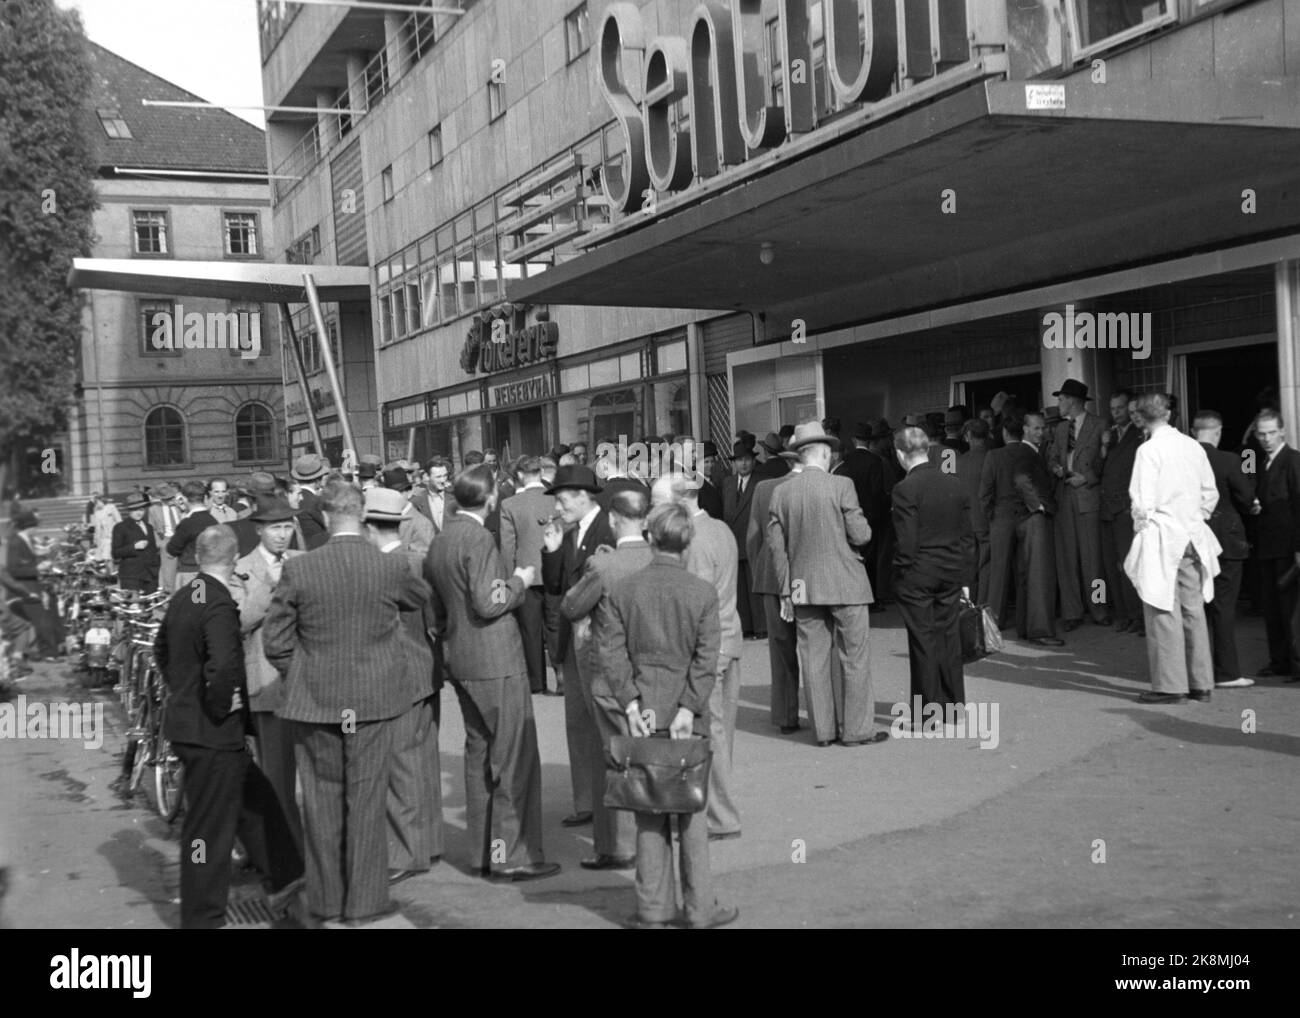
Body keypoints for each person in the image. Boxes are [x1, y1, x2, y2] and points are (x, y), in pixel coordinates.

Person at [262, 481, 431, 925]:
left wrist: (301, 672)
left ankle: (326, 901)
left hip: (315, 702)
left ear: (323, 516)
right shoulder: (386, 565)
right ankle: (365, 903)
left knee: (320, 802)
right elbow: (419, 598)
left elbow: (275, 641)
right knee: (368, 801)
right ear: (362, 514)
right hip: (372, 703)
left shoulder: (301, 569)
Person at [156, 525, 304, 929]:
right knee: (208, 832)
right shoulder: (218, 602)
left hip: (195, 727)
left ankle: (288, 880)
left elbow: (162, 650)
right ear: (234, 558)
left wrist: (184, 691)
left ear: (200, 557)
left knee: (260, 806)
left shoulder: (188, 594)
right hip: (212, 733)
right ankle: (202, 917)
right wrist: (222, 707)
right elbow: (223, 666)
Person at [599, 502, 737, 929]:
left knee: (648, 814)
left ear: (650, 538)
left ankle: (653, 909)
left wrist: (632, 703)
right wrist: (688, 708)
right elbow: (706, 658)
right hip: (685, 718)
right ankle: (700, 909)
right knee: (692, 814)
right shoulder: (701, 592)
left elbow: (612, 653)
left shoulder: (624, 590)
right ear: (687, 540)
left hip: (643, 713)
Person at [425, 465, 559, 881]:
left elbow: (437, 606)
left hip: (460, 657)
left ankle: (485, 853)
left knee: (480, 756)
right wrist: (519, 581)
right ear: (490, 499)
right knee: (513, 759)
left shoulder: (442, 539)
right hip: (495, 659)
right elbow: (488, 600)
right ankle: (510, 857)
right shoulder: (479, 538)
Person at [767, 421, 886, 747]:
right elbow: (861, 534)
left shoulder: (781, 493)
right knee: (854, 657)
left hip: (804, 586)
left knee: (814, 659)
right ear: (823, 452)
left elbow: (778, 549)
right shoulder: (841, 485)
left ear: (801, 455)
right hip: (846, 582)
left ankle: (824, 731)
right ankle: (857, 730)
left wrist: (786, 590)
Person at [558, 489, 651, 870]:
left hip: (610, 678)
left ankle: (616, 846)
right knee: (649, 757)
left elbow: (570, 606)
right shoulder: (664, 559)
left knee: (612, 759)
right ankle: (654, 837)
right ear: (646, 520)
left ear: (613, 521)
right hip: (654, 676)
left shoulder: (604, 566)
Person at [653, 471, 743, 841]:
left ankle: (719, 818)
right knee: (721, 735)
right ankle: (714, 811)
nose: (654, 511)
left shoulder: (692, 541)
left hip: (709, 651)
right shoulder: (721, 529)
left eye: (658, 503)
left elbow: (697, 605)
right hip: (730, 640)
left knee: (710, 736)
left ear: (679, 501)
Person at [362, 488, 443, 883]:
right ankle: (429, 842)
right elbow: (432, 617)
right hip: (424, 670)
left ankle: (408, 854)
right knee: (424, 760)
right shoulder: (417, 561)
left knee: (401, 766)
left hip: (396, 678)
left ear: (370, 526)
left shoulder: (380, 568)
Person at [1124, 393, 1220, 704]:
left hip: (1163, 536)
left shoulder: (1149, 450)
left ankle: (1170, 685)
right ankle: (1201, 682)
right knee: (1193, 609)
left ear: (1142, 417)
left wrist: (1143, 528)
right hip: (1193, 536)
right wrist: (1195, 518)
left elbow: (1141, 502)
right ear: (1168, 414)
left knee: (1162, 609)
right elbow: (1210, 493)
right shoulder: (1193, 447)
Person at [229, 500, 305, 855]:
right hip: (265, 682)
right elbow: (239, 621)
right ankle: (286, 855)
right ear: (259, 529)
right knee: (277, 776)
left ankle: (310, 852)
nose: (282, 534)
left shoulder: (303, 561)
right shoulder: (241, 569)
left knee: (314, 775)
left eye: (287, 527)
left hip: (305, 684)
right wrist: (270, 587)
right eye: (274, 528)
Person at [540, 464, 615, 826]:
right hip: (573, 641)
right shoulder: (569, 533)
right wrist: (552, 550)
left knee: (601, 721)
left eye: (563, 500)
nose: (558, 507)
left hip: (598, 640)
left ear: (584, 497)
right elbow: (554, 588)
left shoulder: (608, 529)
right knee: (577, 723)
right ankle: (586, 802)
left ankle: (609, 801)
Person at [892, 426, 974, 717]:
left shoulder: (904, 489)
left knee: (923, 639)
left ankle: (928, 710)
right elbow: (967, 536)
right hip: (951, 571)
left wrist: (900, 571)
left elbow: (907, 541)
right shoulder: (955, 484)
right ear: (927, 449)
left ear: (900, 454)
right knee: (949, 637)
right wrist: (965, 577)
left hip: (918, 573)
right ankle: (953, 705)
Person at [1193, 411, 1255, 689]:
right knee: (1224, 607)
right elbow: (1246, 497)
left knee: (1196, 607)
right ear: (1217, 432)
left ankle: (1197, 671)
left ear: (1195, 431)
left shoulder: (1185, 460)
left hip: (1195, 540)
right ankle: (1227, 672)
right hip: (1227, 541)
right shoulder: (1230, 460)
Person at [1047, 379, 1110, 630]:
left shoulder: (1099, 425)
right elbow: (1052, 456)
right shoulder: (1061, 430)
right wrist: (1056, 468)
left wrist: (1087, 478)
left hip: (1087, 495)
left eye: (1061, 399)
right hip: (1065, 495)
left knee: (1092, 558)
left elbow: (1106, 460)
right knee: (1067, 558)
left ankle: (1099, 608)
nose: (1059, 404)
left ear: (1072, 400)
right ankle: (1072, 612)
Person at [747, 454, 801, 733]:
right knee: (818, 649)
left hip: (771, 578)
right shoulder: (824, 484)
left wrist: (763, 571)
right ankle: (827, 719)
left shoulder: (763, 488)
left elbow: (753, 538)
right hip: (810, 578)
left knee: (780, 650)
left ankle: (785, 716)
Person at [1249, 410, 1300, 679]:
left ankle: (1296, 663)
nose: (1266, 438)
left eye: (1271, 432)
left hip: (1288, 546)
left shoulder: (1293, 460)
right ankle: (1279, 660)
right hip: (1268, 545)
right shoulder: (1263, 462)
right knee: (1272, 606)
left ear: (1282, 431)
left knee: (1291, 609)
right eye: (1262, 433)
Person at [499, 456, 554, 695]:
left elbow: (508, 547)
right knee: (555, 625)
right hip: (554, 570)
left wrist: (509, 579)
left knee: (530, 629)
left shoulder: (510, 504)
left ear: (520, 475)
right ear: (540, 472)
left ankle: (537, 681)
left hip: (526, 572)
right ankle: (562, 677)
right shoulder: (555, 499)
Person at [1011, 412, 1063, 647]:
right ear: (1025, 429)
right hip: (1035, 519)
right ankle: (1041, 630)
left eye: (1043, 428)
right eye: (1036, 428)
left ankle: (1026, 626)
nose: (1041, 432)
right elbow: (1021, 480)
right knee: (1040, 575)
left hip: (1024, 519)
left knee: (1026, 574)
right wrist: (1038, 506)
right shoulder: (1026, 452)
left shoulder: (1030, 452)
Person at [1099, 391, 1145, 635]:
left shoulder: (1140, 435)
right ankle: (1125, 614)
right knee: (1113, 565)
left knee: (1130, 564)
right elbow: (1100, 469)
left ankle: (1138, 616)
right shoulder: (1112, 436)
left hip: (1126, 508)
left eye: (1120, 408)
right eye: (1112, 408)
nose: (1115, 412)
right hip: (1109, 508)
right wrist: (1104, 447)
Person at [5, 511, 65, 660]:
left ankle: (24, 652)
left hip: (30, 584)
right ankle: (49, 653)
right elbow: (14, 569)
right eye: (35, 527)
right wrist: (38, 568)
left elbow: (26, 562)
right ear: (29, 527)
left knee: (30, 622)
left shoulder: (25, 539)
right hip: (24, 588)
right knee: (41, 620)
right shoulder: (16, 542)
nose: (37, 530)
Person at [723, 441, 765, 639]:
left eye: (747, 459)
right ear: (735, 463)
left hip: (754, 539)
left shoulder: (762, 482)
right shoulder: (728, 483)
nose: (744, 464)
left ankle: (760, 627)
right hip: (734, 541)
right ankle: (746, 627)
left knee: (755, 586)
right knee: (739, 587)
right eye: (740, 460)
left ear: (753, 461)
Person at [956, 418, 990, 600]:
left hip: (966, 521)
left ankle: (968, 603)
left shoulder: (959, 462)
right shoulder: (993, 457)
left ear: (968, 436)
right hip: (988, 519)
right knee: (987, 566)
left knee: (968, 567)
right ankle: (985, 604)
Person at [166, 481, 218, 590]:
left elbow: (170, 553)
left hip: (190, 574)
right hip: (210, 573)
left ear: (184, 499)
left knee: (192, 604)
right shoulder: (213, 521)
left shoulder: (187, 523)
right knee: (202, 604)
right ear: (204, 498)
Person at [110, 491, 160, 592]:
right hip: (131, 576)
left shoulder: (149, 527)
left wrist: (156, 567)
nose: (139, 512)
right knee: (134, 606)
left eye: (141, 509)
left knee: (150, 605)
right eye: (135, 510)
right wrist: (134, 547)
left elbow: (153, 550)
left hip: (150, 575)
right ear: (129, 511)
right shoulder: (120, 527)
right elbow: (115, 553)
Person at [289, 454, 331, 550]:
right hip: (317, 549)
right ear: (318, 479)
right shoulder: (315, 501)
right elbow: (330, 526)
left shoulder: (292, 498)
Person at [423, 456, 458, 535]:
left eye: (445, 475)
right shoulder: (417, 502)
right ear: (427, 477)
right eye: (438, 477)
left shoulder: (455, 499)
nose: (443, 480)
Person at [90, 494, 121, 562]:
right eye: (95, 503)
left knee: (108, 558)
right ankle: (108, 571)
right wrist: (95, 540)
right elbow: (97, 528)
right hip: (102, 538)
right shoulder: (97, 512)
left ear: (102, 500)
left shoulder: (111, 507)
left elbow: (119, 520)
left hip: (112, 536)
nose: (96, 504)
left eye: (97, 502)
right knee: (103, 558)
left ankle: (110, 571)